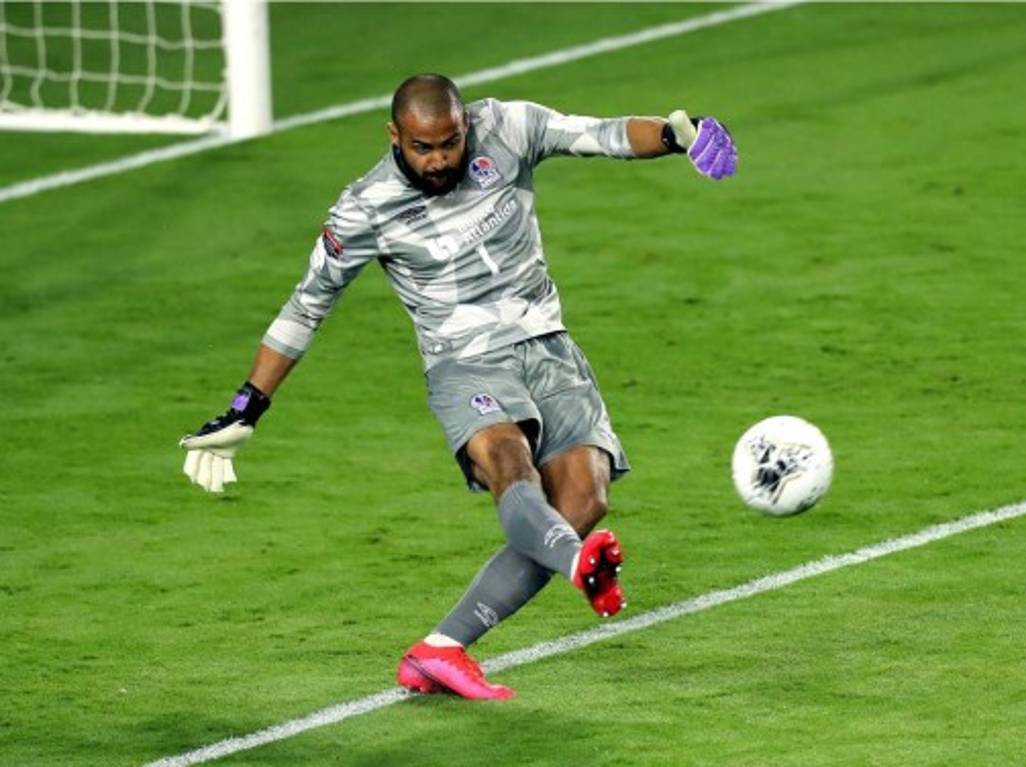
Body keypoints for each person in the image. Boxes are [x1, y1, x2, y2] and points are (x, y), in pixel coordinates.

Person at [179, 73, 737, 700]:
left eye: (449, 142)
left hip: (548, 345)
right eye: (423, 148)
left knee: (583, 502)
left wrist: (675, 134)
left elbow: (600, 134)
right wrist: (247, 405)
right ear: (395, 136)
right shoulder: (364, 208)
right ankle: (579, 563)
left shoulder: (507, 127)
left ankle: (438, 650)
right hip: (465, 362)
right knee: (508, 460)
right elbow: (306, 307)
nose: (440, 159)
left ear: (465, 123)